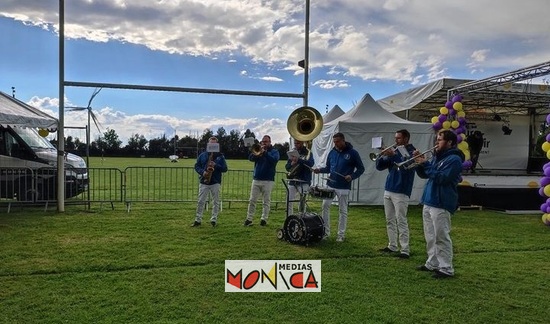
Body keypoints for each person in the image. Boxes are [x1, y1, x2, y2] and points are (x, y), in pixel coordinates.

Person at [414, 129, 464, 278]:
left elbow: (443, 178)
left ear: (449, 142)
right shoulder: (438, 157)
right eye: (436, 139)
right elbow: (426, 175)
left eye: (440, 140)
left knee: (441, 236)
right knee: (430, 235)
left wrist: (426, 164)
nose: (436, 142)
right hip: (429, 200)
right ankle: (432, 262)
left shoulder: (454, 160)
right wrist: (419, 163)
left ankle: (446, 268)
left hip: (441, 201)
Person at [313, 132, 365, 242]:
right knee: (325, 206)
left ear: (343, 140)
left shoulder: (353, 153)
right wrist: (319, 170)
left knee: (343, 210)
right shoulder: (332, 152)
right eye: (334, 142)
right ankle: (326, 233)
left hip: (343, 186)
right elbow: (328, 168)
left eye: (337, 142)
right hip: (331, 184)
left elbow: (361, 169)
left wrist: (352, 176)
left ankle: (341, 234)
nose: (335, 144)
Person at [375, 129, 416, 258]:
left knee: (401, 220)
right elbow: (380, 167)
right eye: (395, 138)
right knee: (389, 220)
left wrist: (393, 155)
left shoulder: (412, 152)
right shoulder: (395, 151)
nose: (395, 141)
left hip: (401, 190)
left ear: (406, 139)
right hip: (389, 188)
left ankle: (405, 249)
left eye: (398, 138)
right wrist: (380, 154)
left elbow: (405, 168)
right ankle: (392, 245)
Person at [244, 135, 280, 226]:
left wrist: (265, 153)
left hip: (268, 180)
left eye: (266, 142)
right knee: (252, 200)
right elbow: (251, 158)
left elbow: (274, 160)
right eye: (263, 141)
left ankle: (264, 219)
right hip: (256, 179)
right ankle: (249, 219)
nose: (264, 143)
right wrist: (256, 152)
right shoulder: (258, 150)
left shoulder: (274, 151)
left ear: (270, 142)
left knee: (266, 201)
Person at [191, 137, 228, 227]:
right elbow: (196, 166)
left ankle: (214, 219)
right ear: (208, 144)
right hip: (204, 181)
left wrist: (216, 165)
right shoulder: (202, 155)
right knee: (200, 201)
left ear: (217, 145)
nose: (212, 146)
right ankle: (198, 220)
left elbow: (225, 169)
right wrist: (203, 172)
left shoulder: (220, 156)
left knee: (215, 201)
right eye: (211, 144)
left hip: (215, 181)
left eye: (214, 144)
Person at [285, 139, 314, 216]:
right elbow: (287, 167)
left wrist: (299, 160)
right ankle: (288, 220)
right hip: (293, 180)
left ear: (302, 143)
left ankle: (301, 219)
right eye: (295, 143)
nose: (296, 145)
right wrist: (292, 163)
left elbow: (311, 163)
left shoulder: (308, 152)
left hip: (304, 180)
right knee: (288, 201)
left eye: (297, 143)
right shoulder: (292, 152)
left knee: (302, 203)